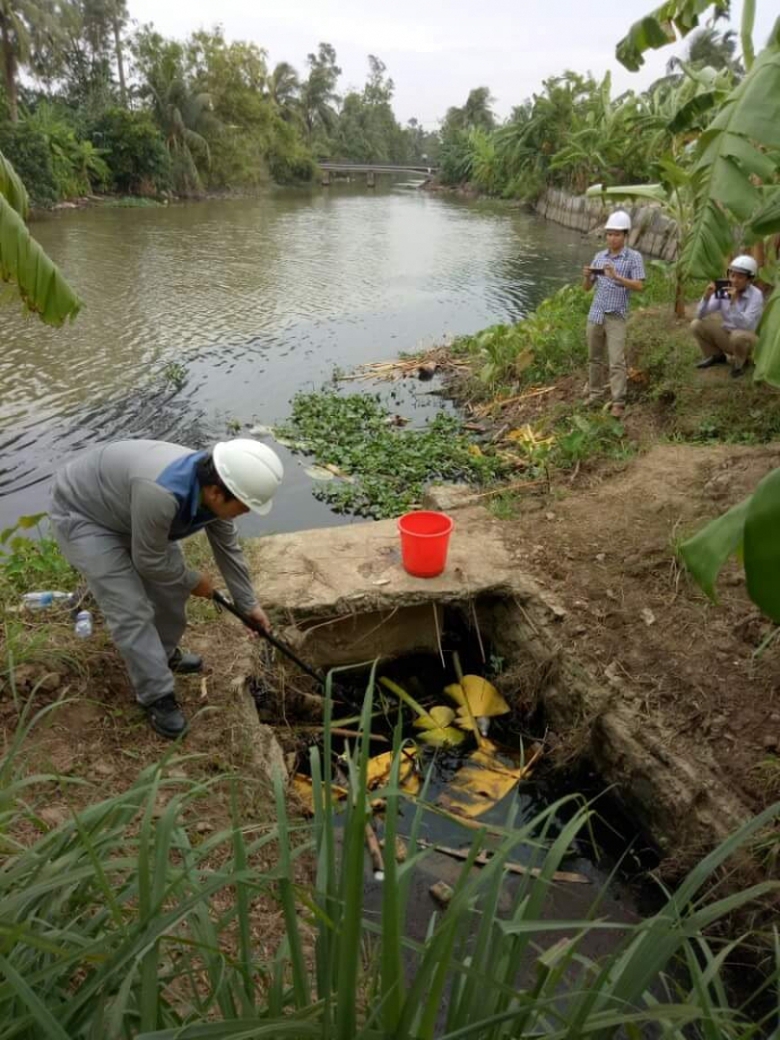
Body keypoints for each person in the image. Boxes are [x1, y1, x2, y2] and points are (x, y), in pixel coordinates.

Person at [48, 439, 284, 739]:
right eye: (246, 505)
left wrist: (248, 604)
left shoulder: (218, 485)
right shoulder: (162, 493)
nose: (247, 511)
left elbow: (228, 548)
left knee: (171, 590)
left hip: (130, 507)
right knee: (131, 609)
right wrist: (193, 580)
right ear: (216, 493)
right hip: (86, 515)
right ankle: (156, 694)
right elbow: (148, 561)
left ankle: (161, 652)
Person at [582, 210, 646, 419]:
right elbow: (587, 288)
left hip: (616, 315)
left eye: (617, 234)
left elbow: (639, 286)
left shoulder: (633, 258)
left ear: (625, 235)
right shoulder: (599, 257)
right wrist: (587, 276)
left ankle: (618, 401)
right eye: (609, 234)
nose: (612, 238)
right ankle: (595, 393)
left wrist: (617, 277)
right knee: (594, 358)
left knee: (616, 360)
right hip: (596, 313)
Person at [691, 255, 764, 377]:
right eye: (732, 275)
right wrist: (706, 297)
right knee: (696, 324)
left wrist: (733, 303)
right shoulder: (724, 288)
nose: (734, 280)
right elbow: (699, 315)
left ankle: (741, 363)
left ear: (750, 279)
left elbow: (746, 325)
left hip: (747, 340)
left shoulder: (756, 295)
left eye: (740, 277)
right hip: (729, 336)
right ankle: (716, 356)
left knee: (737, 335)